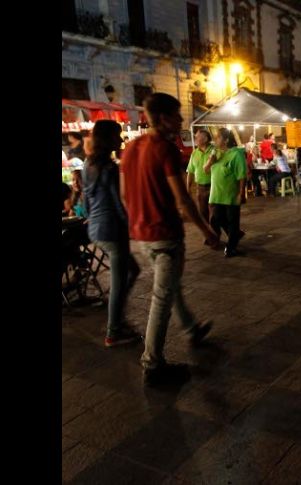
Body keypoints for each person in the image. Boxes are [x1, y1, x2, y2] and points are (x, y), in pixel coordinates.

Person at [120, 92, 221, 387]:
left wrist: (139, 218)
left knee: (169, 285)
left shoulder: (130, 147)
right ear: (163, 118)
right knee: (162, 297)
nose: (180, 120)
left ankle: (190, 327)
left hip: (141, 235)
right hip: (164, 235)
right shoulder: (165, 150)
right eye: (177, 115)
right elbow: (183, 201)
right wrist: (208, 231)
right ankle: (153, 364)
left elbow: (125, 195)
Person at [82, 120, 143, 347]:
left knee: (131, 271)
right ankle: (113, 331)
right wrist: (134, 226)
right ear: (108, 139)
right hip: (112, 230)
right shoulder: (109, 168)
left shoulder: (88, 165)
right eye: (117, 136)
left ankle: (118, 319)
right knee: (120, 281)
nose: (121, 140)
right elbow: (120, 205)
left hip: (95, 229)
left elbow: (87, 202)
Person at [204, 127, 247, 257]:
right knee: (217, 219)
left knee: (233, 222)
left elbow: (241, 176)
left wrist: (241, 193)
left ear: (226, 140)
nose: (215, 140)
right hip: (216, 195)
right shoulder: (215, 153)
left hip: (230, 195)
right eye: (215, 137)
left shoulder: (236, 154)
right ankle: (235, 235)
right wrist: (211, 160)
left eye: (218, 137)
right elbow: (205, 169)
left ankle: (231, 248)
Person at [186, 129, 215, 224]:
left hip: (214, 187)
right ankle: (210, 236)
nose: (195, 139)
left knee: (215, 214)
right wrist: (188, 188)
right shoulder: (194, 153)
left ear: (205, 139)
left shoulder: (214, 151)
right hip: (200, 188)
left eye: (197, 137)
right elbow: (190, 171)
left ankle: (217, 234)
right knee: (203, 213)